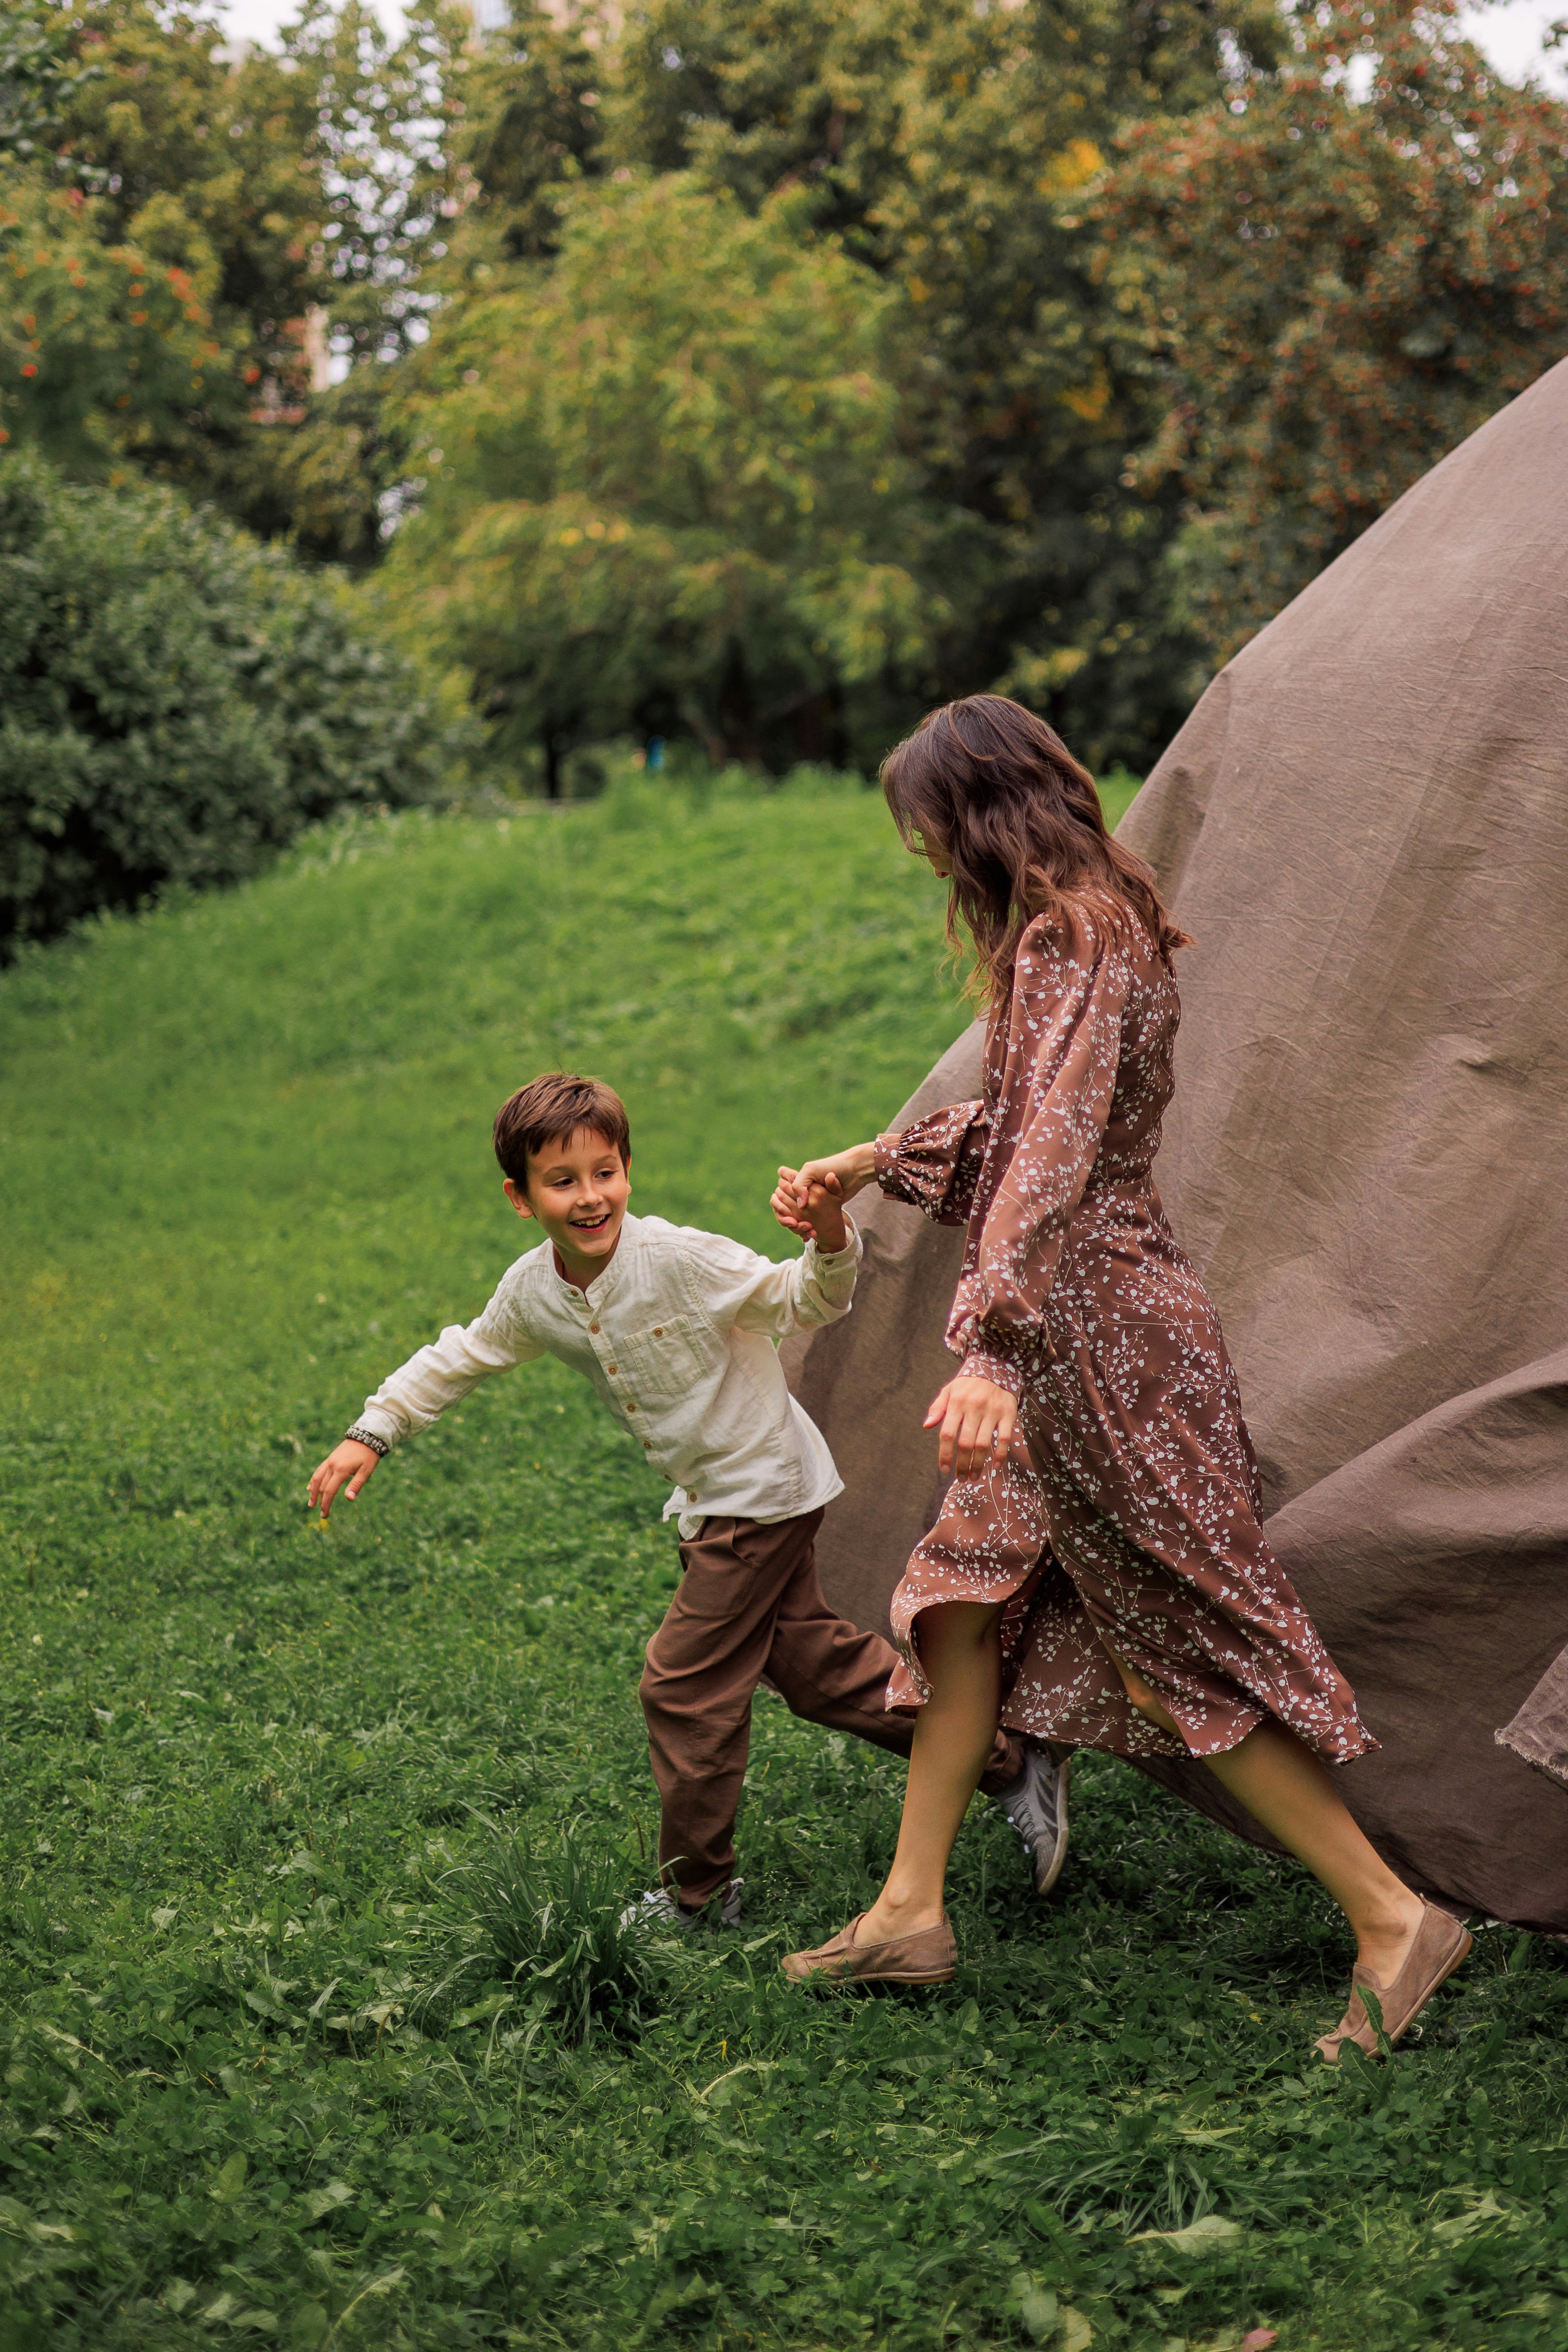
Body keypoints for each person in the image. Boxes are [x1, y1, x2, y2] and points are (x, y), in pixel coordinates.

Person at [772, 695, 1470, 2063]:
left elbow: (1055, 1152)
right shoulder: (1094, 924)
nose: (928, 862)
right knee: (966, 1600)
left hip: (1097, 1349)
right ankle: (910, 1910)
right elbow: (1028, 1115)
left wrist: (992, 1347)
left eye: (929, 834)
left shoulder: (1071, 934)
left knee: (1170, 1653)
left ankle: (1396, 1918)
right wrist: (876, 1162)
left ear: (978, 816)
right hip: (1082, 1326)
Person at [306, 1070, 1063, 1928]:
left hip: (760, 1492)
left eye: (605, 1172)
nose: (590, 1197)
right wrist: (372, 1430)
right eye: (562, 1181)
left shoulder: (678, 1259)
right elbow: (464, 1352)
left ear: (628, 1169)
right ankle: (1009, 1760)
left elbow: (803, 1299)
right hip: (717, 1493)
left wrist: (828, 1239)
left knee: (680, 1685)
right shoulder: (534, 1290)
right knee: (814, 1674)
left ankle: (700, 1895)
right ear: (520, 1198)